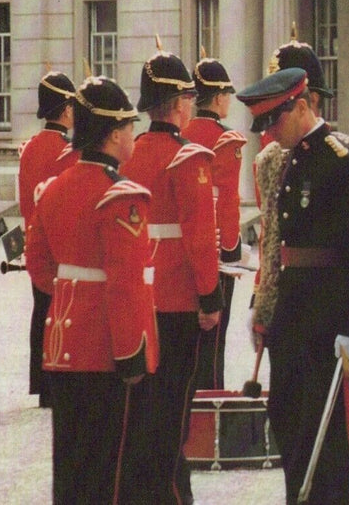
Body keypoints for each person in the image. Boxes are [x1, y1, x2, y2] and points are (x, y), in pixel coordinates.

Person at [238, 66, 349, 505]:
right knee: (292, 424)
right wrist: (269, 310)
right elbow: (279, 244)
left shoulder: (343, 163)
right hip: (295, 315)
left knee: (335, 439)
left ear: (302, 107)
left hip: (332, 316)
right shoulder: (289, 161)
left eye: (275, 122)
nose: (269, 134)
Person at [24, 74, 159, 504]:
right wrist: (131, 352)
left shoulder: (53, 189)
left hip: (63, 344)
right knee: (111, 472)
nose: (133, 135)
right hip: (106, 348)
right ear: (114, 133)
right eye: (130, 127)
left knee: (71, 469)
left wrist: (73, 293)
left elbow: (39, 266)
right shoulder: (120, 197)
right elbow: (124, 285)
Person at [121, 47, 222, 505]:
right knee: (173, 413)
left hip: (138, 296)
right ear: (180, 104)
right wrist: (210, 299)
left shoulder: (129, 155)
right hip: (179, 298)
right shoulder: (187, 158)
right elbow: (199, 239)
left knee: (141, 411)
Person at [182, 53, 246, 390]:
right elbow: (228, 202)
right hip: (217, 244)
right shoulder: (226, 139)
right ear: (219, 97)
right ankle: (211, 392)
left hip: (183, 243)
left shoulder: (181, 133)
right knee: (215, 335)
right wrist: (232, 252)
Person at [18, 70, 78, 408]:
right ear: (67, 110)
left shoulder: (29, 148)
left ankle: (40, 382)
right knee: (61, 313)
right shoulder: (67, 151)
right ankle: (56, 383)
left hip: (34, 241)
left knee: (40, 309)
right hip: (61, 246)